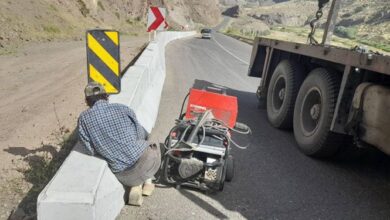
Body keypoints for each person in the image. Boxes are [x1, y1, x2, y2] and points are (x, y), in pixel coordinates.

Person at [77, 82, 161, 206]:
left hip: (125, 176)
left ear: (87, 101)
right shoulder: (122, 108)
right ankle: (148, 182)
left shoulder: (83, 119)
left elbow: (90, 149)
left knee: (130, 159)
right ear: (106, 96)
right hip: (149, 162)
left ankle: (135, 185)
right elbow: (139, 135)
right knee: (150, 138)